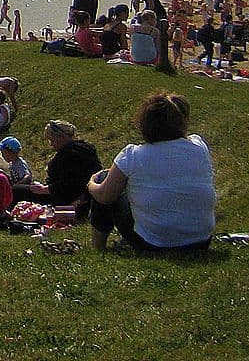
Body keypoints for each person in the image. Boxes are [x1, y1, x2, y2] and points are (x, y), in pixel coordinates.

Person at [87, 92, 215, 252]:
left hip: (154, 244)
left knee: (104, 180)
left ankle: (98, 247)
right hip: (200, 241)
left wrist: (91, 184)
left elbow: (105, 196)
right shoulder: (199, 146)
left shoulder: (133, 155)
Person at [18, 120, 102, 216]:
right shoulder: (86, 148)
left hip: (68, 198)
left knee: (17, 190)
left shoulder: (68, 155)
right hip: (88, 193)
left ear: (60, 137)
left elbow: (68, 186)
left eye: (52, 140)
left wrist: (44, 189)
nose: (51, 144)